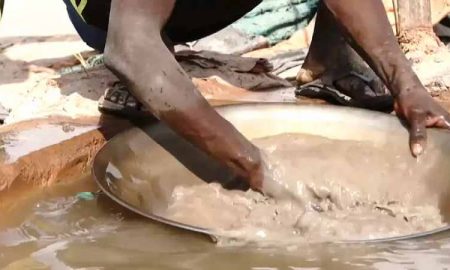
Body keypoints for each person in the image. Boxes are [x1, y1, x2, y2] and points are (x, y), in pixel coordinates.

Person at [6, 0, 450, 191]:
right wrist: (252, 162)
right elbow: (129, 46)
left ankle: (334, 63)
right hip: (107, 14)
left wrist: (408, 87)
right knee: (143, 47)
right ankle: (162, 62)